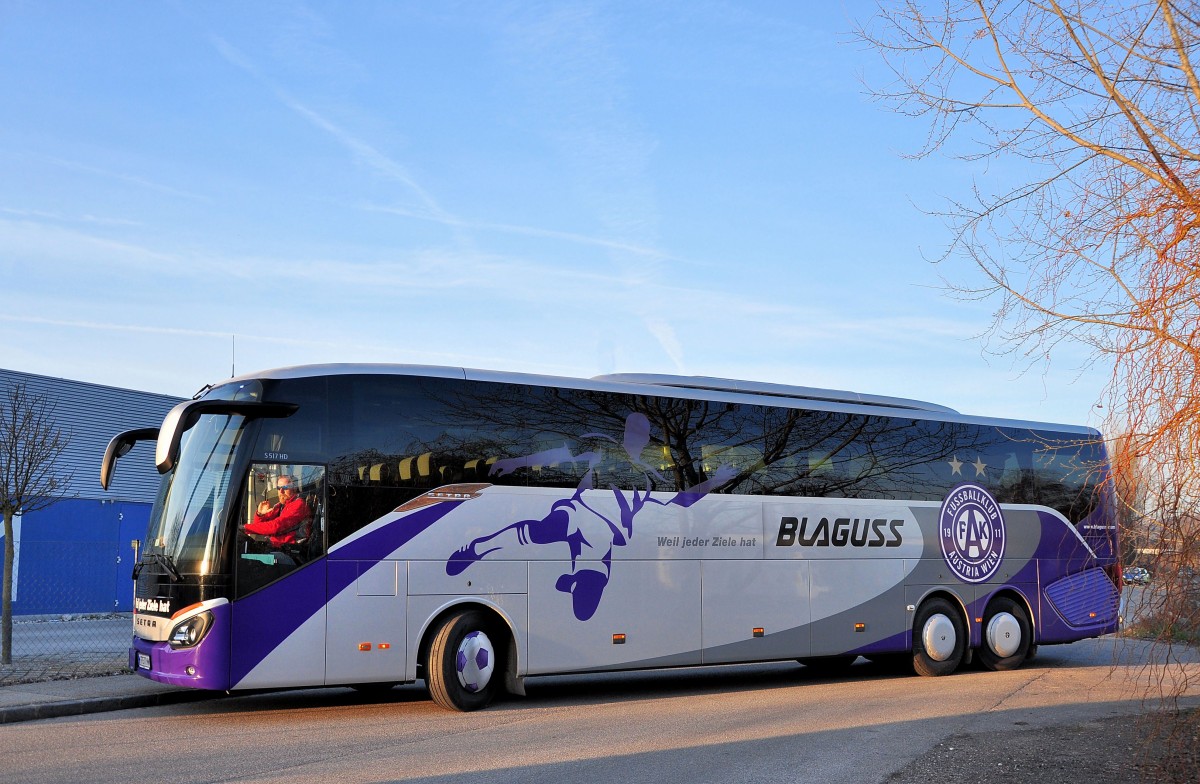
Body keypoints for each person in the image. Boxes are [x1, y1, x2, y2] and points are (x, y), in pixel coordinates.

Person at [245, 475, 310, 547]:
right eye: (278, 488)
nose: (281, 491)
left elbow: (275, 526)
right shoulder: (280, 506)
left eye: (285, 487)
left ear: (294, 488)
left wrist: (244, 528)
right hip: (277, 545)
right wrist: (260, 515)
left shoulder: (299, 504)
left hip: (292, 549)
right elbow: (259, 527)